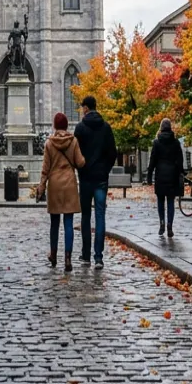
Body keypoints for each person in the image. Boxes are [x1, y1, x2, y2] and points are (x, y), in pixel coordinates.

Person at [37, 112, 86, 272]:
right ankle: (68, 258)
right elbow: (80, 162)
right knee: (69, 223)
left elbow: (45, 169)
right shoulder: (73, 141)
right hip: (69, 184)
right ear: (66, 125)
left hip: (55, 185)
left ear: (55, 126)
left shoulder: (49, 143)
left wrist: (41, 187)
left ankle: (53, 255)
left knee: (54, 223)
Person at [74, 95, 119, 270]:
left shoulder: (80, 128)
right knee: (100, 216)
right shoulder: (106, 127)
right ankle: (98, 257)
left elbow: (76, 154)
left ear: (86, 108)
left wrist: (81, 169)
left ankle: (86, 255)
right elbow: (113, 153)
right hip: (100, 179)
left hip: (85, 178)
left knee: (86, 216)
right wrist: (104, 170)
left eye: (82, 108)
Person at [146, 119, 184, 238]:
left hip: (160, 175)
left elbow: (152, 160)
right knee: (171, 201)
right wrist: (181, 172)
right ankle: (169, 225)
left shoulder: (157, 143)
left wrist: (149, 176)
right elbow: (180, 160)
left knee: (160, 201)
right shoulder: (176, 143)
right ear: (170, 127)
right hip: (172, 175)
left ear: (161, 128)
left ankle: (162, 222)